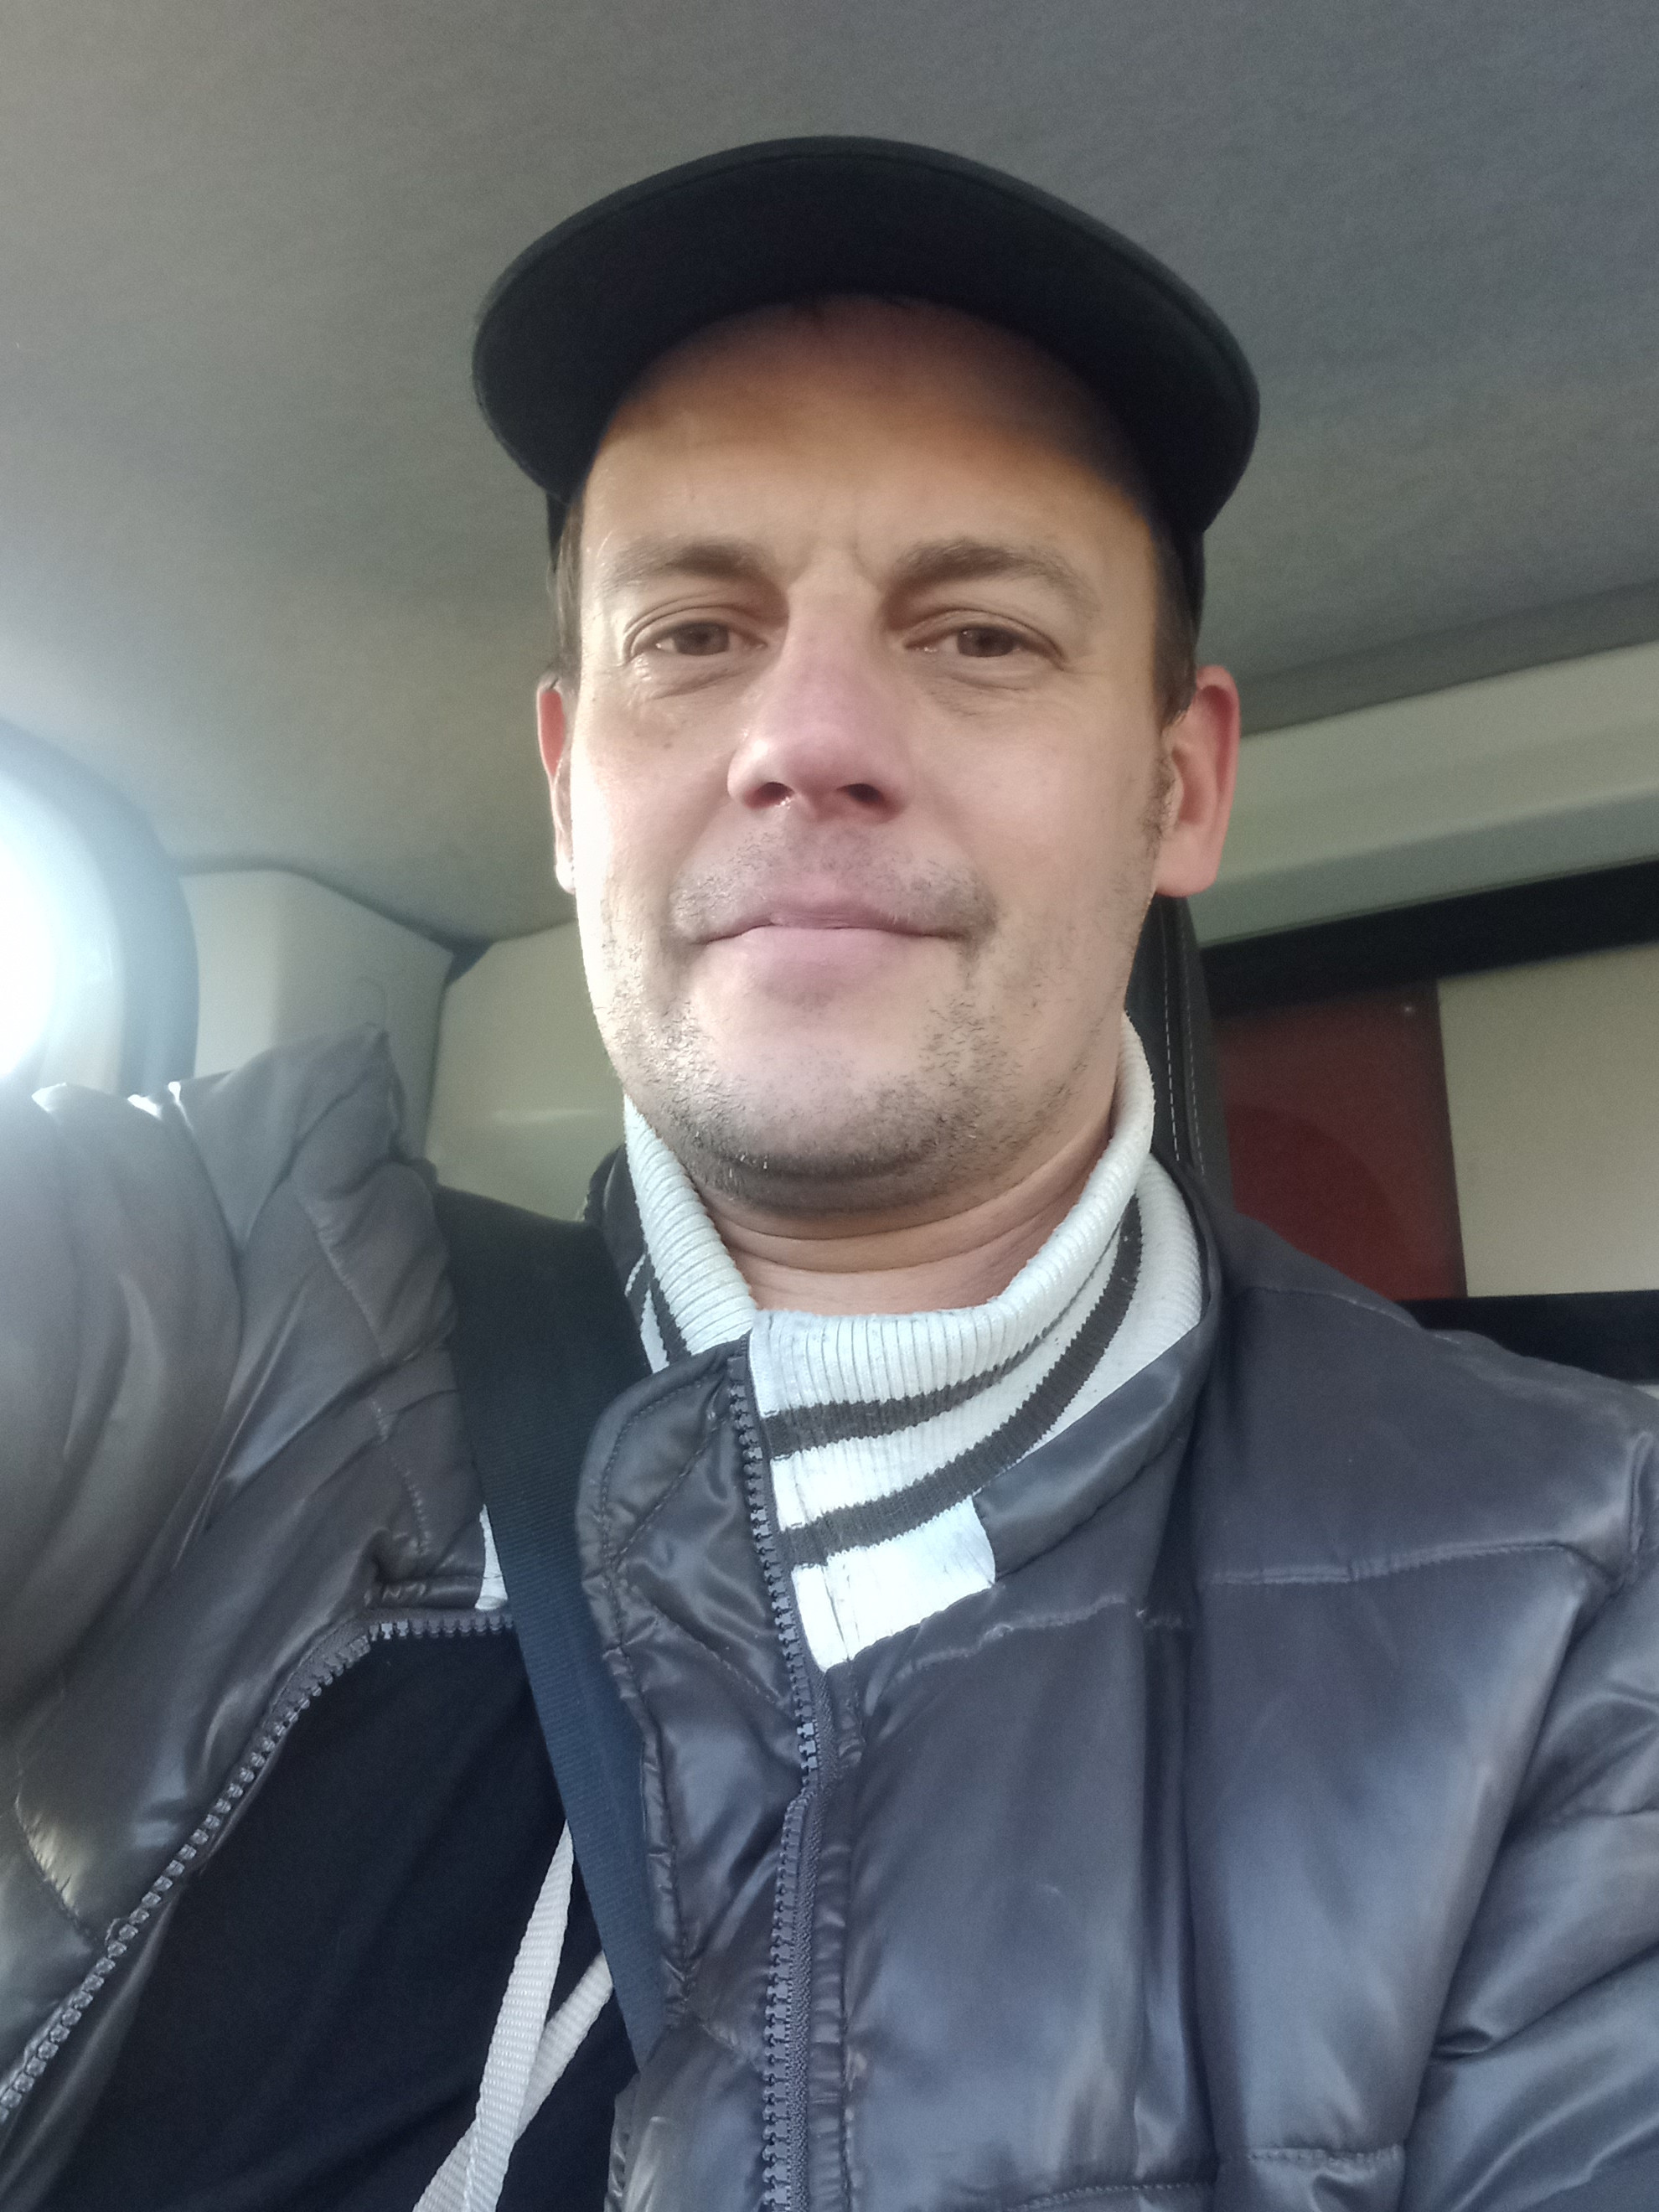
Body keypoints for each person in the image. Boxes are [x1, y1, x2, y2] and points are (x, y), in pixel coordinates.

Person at [3, 138, 1656, 2212]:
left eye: (980, 637)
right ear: (567, 788)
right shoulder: (233, 1285)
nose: (805, 735)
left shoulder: (1580, 1587)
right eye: (695, 632)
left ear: (1180, 785)